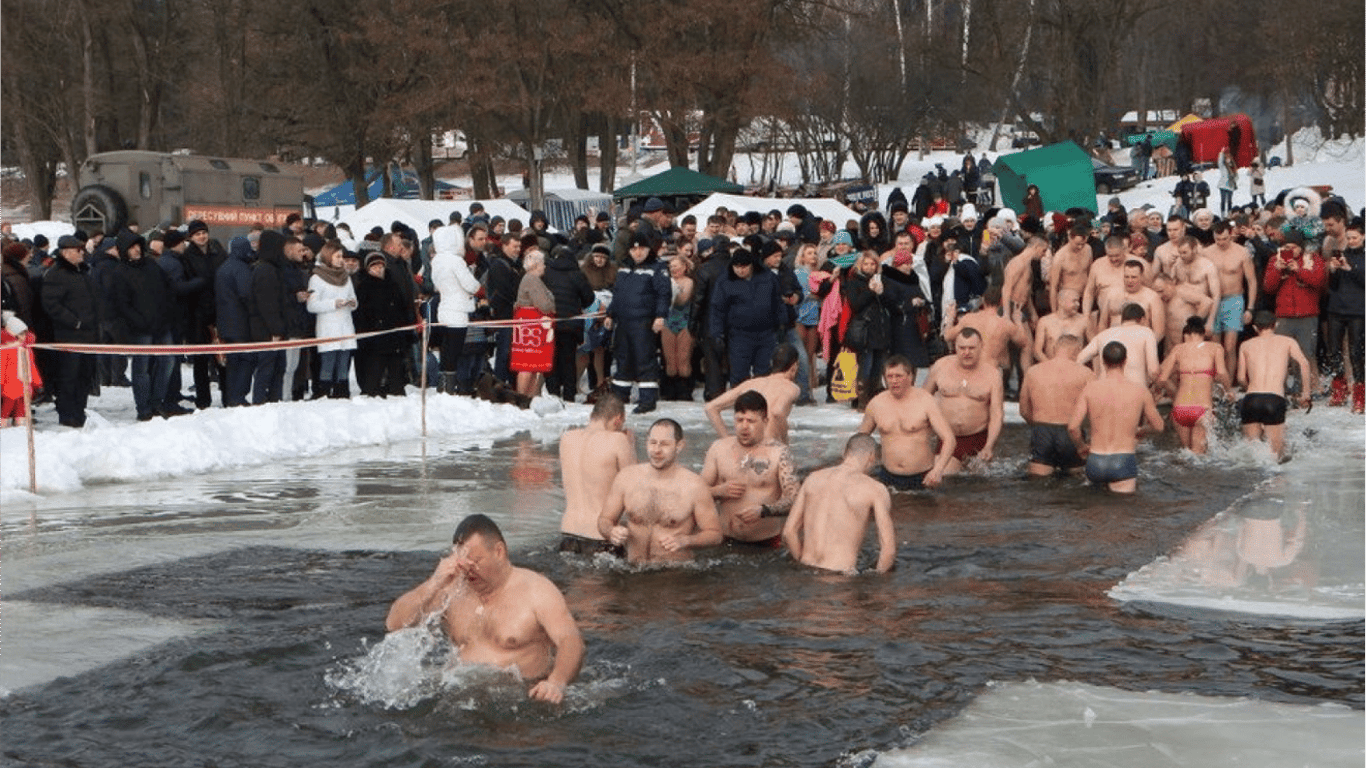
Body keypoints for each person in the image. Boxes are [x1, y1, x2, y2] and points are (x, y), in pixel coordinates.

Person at [385, 514, 584, 705]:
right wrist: (434, 583)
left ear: (499, 551)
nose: (468, 569)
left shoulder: (537, 590)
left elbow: (571, 640)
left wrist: (556, 682)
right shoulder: (452, 590)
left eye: (475, 561)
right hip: (461, 697)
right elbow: (395, 623)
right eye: (462, 562)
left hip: (521, 699)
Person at [598, 418, 723, 564]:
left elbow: (715, 534)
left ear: (679, 445)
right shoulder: (626, 478)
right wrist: (611, 531)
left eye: (664, 444)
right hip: (633, 571)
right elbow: (604, 520)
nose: (656, 450)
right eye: (653, 443)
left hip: (674, 575)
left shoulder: (694, 486)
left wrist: (687, 540)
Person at [781, 434, 895, 574]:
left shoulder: (812, 479)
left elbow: (788, 532)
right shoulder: (875, 489)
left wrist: (801, 563)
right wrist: (877, 582)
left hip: (806, 572)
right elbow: (888, 550)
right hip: (840, 578)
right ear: (872, 457)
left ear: (844, 453)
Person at [700, 390, 799, 548]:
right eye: (739, 420)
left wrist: (764, 511)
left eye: (751, 421)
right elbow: (695, 492)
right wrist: (718, 491)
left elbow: (794, 499)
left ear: (765, 421)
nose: (744, 427)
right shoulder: (719, 448)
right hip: (725, 541)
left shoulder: (779, 453)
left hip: (767, 543)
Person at [1067, 341, 1164, 493]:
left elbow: (1073, 427)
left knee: (1094, 512)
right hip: (1123, 460)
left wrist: (1081, 447)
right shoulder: (1140, 390)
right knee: (1122, 512)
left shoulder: (1090, 389)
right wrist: (1142, 430)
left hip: (1095, 461)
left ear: (1103, 362)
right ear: (1125, 361)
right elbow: (1159, 426)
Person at [856, 355, 956, 490]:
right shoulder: (876, 404)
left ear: (910, 377)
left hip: (922, 477)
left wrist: (938, 470)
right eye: (889, 377)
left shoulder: (925, 401)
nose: (894, 381)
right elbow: (859, 440)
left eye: (899, 376)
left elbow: (949, 439)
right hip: (887, 476)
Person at [557, 393, 635, 555]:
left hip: (568, 534)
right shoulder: (618, 440)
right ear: (618, 419)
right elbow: (636, 487)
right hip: (600, 537)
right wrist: (631, 445)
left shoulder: (567, 438)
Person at [923, 327, 1004, 473]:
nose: (966, 352)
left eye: (971, 348)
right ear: (955, 347)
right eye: (962, 348)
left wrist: (989, 446)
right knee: (943, 476)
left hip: (978, 439)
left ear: (981, 347)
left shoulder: (992, 374)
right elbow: (922, 400)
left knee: (976, 487)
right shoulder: (940, 367)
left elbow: (997, 414)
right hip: (948, 439)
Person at [605, 232, 669, 414]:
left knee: (644, 359)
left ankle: (647, 400)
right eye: (634, 249)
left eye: (641, 249)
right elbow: (618, 295)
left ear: (649, 250)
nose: (638, 252)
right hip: (623, 322)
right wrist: (610, 314)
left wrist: (660, 316)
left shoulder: (657, 268)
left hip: (643, 322)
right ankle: (619, 397)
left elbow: (663, 294)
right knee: (623, 359)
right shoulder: (624, 268)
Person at [39, 235, 100, 427]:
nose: (82, 253)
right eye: (77, 250)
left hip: (88, 336)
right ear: (66, 253)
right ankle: (67, 415)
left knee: (84, 377)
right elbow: (51, 304)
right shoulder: (56, 274)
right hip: (69, 336)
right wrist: (74, 322)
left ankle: (79, 412)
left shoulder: (82, 272)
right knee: (68, 377)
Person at [1237, 311, 1313, 459]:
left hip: (1251, 399)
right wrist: (1306, 393)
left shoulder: (1245, 345)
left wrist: (1250, 388)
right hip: (1274, 399)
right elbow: (1304, 363)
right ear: (1276, 325)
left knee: (1253, 455)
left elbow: (1240, 378)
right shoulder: (1288, 341)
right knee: (1277, 457)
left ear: (1255, 328)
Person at [1261, 230, 1325, 400]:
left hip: (1307, 314)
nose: (1290, 251)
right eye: (1286, 247)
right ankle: (1280, 389)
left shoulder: (1313, 259)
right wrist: (1277, 270)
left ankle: (1306, 390)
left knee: (1306, 354)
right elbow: (1268, 287)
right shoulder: (1276, 260)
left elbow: (1319, 281)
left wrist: (1299, 270)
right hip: (1284, 315)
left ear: (1301, 247)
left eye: (1293, 247)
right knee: (1281, 355)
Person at [1155, 316, 1232, 454]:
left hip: (1179, 409)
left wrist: (1162, 391)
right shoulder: (1215, 348)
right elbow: (1221, 373)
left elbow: (1162, 378)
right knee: (1199, 457)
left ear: (1187, 333)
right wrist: (1229, 391)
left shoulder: (1178, 349)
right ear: (1204, 333)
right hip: (1202, 410)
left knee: (1185, 454)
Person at [1018, 334, 1092, 477]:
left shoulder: (1033, 371)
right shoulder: (1086, 373)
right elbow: (1096, 411)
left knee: (1039, 483)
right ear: (1077, 351)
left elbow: (1023, 410)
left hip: (1042, 431)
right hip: (1071, 433)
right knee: (1076, 482)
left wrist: (1037, 426)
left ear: (1054, 349)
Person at [703, 344, 800, 444]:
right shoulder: (791, 387)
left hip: (745, 446)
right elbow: (777, 412)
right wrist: (784, 442)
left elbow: (710, 407)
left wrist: (727, 440)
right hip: (767, 447)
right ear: (794, 367)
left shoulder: (751, 383)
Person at [429, 224, 483, 396]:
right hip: (458, 310)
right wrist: (479, 288)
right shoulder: (456, 261)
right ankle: (450, 387)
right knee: (455, 350)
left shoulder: (436, 260)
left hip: (444, 307)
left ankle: (443, 384)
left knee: (446, 349)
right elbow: (470, 284)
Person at [1202, 220, 1258, 375]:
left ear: (1231, 235)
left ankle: (1229, 384)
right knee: (1215, 346)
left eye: (1225, 239)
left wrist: (1250, 308)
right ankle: (1217, 382)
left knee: (1230, 346)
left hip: (1234, 299)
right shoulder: (1206, 253)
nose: (1221, 242)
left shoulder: (1241, 252)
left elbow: (1252, 281)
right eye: (1217, 239)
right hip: (1214, 300)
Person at [306, 239, 358, 399]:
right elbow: (312, 306)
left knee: (344, 364)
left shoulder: (346, 277)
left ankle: (342, 391)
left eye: (341, 256)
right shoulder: (317, 277)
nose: (341, 260)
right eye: (338, 256)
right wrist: (334, 303)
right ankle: (323, 392)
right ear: (328, 257)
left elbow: (353, 298)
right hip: (328, 327)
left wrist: (352, 303)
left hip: (346, 326)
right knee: (328, 363)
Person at [1324, 220, 1364, 412]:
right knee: (1333, 352)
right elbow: (1332, 287)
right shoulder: (1342, 255)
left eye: (1354, 238)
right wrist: (1332, 270)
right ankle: (1339, 389)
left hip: (1358, 311)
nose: (1351, 241)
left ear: (1364, 237)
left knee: (1356, 353)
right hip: (1336, 309)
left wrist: (1351, 270)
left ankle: (1359, 394)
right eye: (1348, 238)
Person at [1078, 303, 1160, 386]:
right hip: (1134, 391)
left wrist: (1093, 380)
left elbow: (1079, 359)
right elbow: (1153, 371)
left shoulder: (1104, 334)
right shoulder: (1146, 332)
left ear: (1122, 319)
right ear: (1143, 319)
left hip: (1105, 390)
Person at [1033, 287, 1090, 361]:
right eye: (1074, 301)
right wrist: (1051, 366)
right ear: (1061, 302)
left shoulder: (1084, 321)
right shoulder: (1044, 321)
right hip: (1050, 367)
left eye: (1078, 301)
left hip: (1076, 367)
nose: (1078, 304)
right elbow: (1037, 351)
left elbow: (1095, 348)